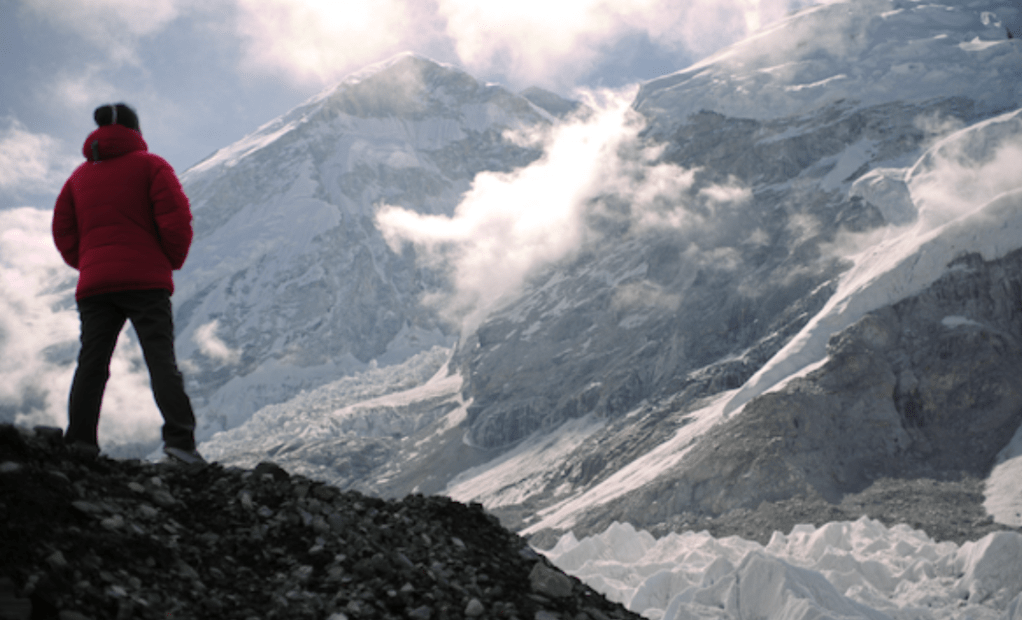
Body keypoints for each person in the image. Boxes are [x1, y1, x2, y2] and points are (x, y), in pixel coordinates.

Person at [52, 103, 205, 464]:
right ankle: (180, 445)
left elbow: (63, 230)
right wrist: (168, 260)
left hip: (95, 285)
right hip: (145, 281)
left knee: (91, 362)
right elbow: (175, 218)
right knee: (160, 361)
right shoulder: (152, 166)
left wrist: (88, 262)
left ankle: (81, 443)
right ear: (136, 131)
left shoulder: (77, 178)